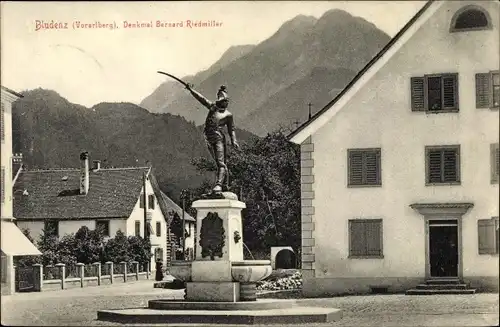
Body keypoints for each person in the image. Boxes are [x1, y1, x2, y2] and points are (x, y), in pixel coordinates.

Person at [186, 84, 239, 193]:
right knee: (218, 162)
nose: (226, 103)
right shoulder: (213, 107)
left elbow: (231, 129)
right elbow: (202, 99)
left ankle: (219, 184)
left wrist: (234, 141)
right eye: (224, 101)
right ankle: (225, 184)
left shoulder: (228, 115)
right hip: (208, 137)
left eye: (227, 101)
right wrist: (191, 90)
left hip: (219, 138)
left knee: (220, 162)